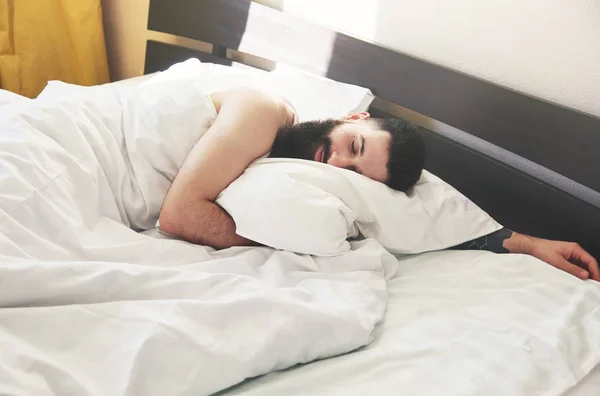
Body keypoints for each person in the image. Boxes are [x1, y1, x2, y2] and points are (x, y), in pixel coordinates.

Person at [158, 87, 600, 282]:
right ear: (354, 118)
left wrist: (524, 243)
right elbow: (179, 217)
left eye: (352, 172)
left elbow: (423, 214)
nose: (335, 161)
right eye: (352, 144)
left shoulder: (282, 171)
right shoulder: (264, 108)